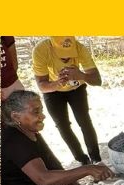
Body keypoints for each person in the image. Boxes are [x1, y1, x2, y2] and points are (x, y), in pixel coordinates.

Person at [32, 37, 103, 165]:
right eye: (62, 55)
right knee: (63, 126)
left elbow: (97, 80)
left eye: (68, 54)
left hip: (77, 88)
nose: (65, 59)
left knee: (84, 121)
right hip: (53, 91)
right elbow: (42, 85)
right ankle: (82, 159)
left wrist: (82, 75)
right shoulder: (41, 50)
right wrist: (57, 84)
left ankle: (96, 159)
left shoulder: (80, 48)